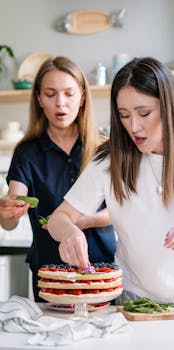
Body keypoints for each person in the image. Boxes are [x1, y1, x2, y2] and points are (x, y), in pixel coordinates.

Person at [47, 57, 174, 308]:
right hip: (133, 293)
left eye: (144, 113)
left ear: (172, 105)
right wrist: (69, 232)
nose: (133, 127)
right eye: (124, 115)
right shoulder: (111, 160)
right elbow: (59, 218)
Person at [0, 56, 116, 301]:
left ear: (82, 97)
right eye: (50, 94)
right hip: (50, 272)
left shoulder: (104, 147)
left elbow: (121, 209)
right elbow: (11, 215)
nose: (60, 103)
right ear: (39, 99)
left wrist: (84, 221)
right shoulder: (27, 152)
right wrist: (7, 213)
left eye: (69, 93)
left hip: (101, 268)